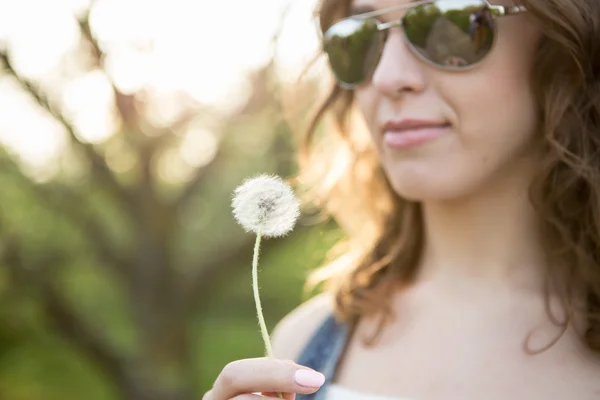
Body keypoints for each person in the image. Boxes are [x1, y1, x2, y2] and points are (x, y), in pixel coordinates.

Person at [203, 0, 600, 398]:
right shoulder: (301, 346)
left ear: (564, 39)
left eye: (447, 21)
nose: (386, 76)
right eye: (358, 35)